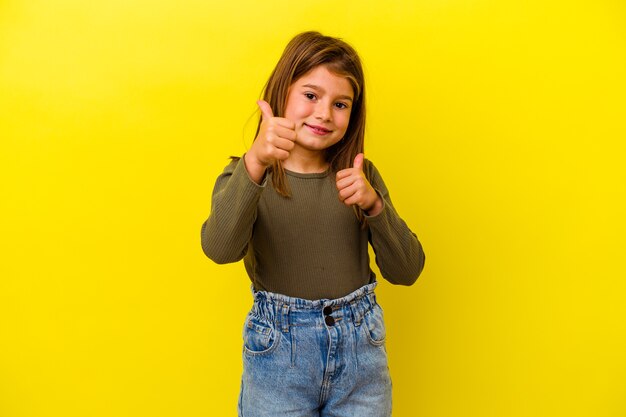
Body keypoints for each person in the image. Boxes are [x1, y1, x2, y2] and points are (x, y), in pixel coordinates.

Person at [201, 31, 425, 417]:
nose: (324, 113)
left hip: (361, 360)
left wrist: (375, 207)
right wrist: (255, 162)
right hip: (278, 360)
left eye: (341, 104)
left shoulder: (360, 178)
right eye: (311, 95)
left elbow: (407, 270)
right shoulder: (246, 176)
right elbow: (219, 249)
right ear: (281, 93)